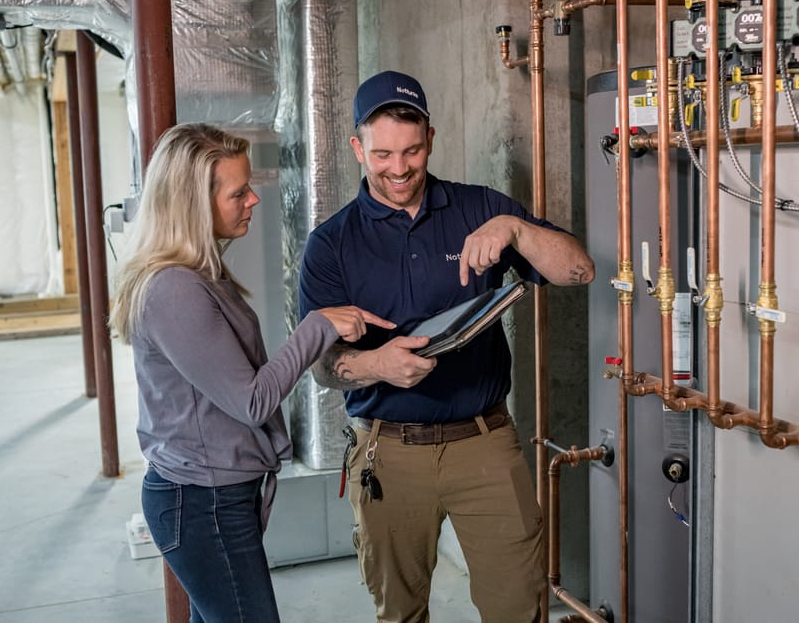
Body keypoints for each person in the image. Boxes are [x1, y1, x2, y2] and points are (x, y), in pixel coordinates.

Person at [298, 71, 595, 623]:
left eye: (411, 151)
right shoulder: (330, 244)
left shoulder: (478, 208)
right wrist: (375, 364)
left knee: (517, 608)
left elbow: (579, 270)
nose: (399, 168)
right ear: (358, 148)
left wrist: (515, 229)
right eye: (382, 153)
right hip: (387, 451)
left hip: (484, 443)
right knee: (400, 613)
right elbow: (322, 367)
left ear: (430, 139)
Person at [109, 122, 393, 623]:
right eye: (238, 192)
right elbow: (252, 400)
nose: (252, 201)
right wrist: (317, 326)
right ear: (193, 203)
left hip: (213, 497)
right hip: (202, 504)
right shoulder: (175, 289)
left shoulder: (198, 276)